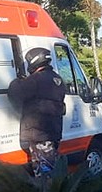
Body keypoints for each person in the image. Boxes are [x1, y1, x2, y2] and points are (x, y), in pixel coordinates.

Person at [7, 47, 67, 177]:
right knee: (51, 167)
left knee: (44, 173)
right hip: (53, 133)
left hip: (38, 135)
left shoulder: (36, 79)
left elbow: (15, 92)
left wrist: (17, 80)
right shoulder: (58, 80)